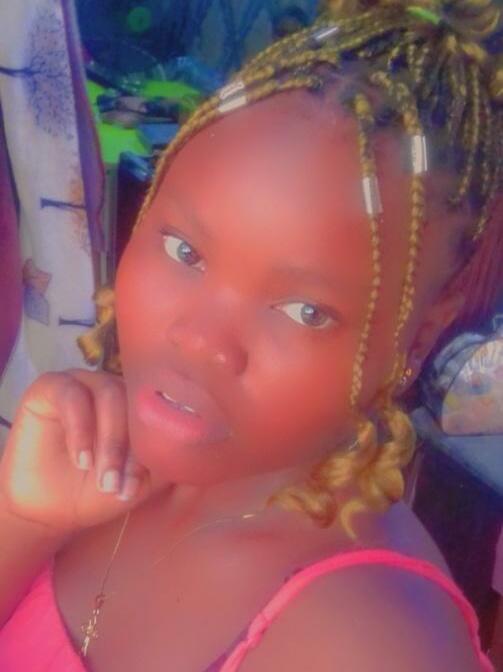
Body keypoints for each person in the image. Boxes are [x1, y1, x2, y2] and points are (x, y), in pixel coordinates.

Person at [0, 0, 501, 669]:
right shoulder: (86, 459)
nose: (200, 342)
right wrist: (25, 521)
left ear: (416, 338)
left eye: (304, 311)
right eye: (184, 251)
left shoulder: (371, 643)